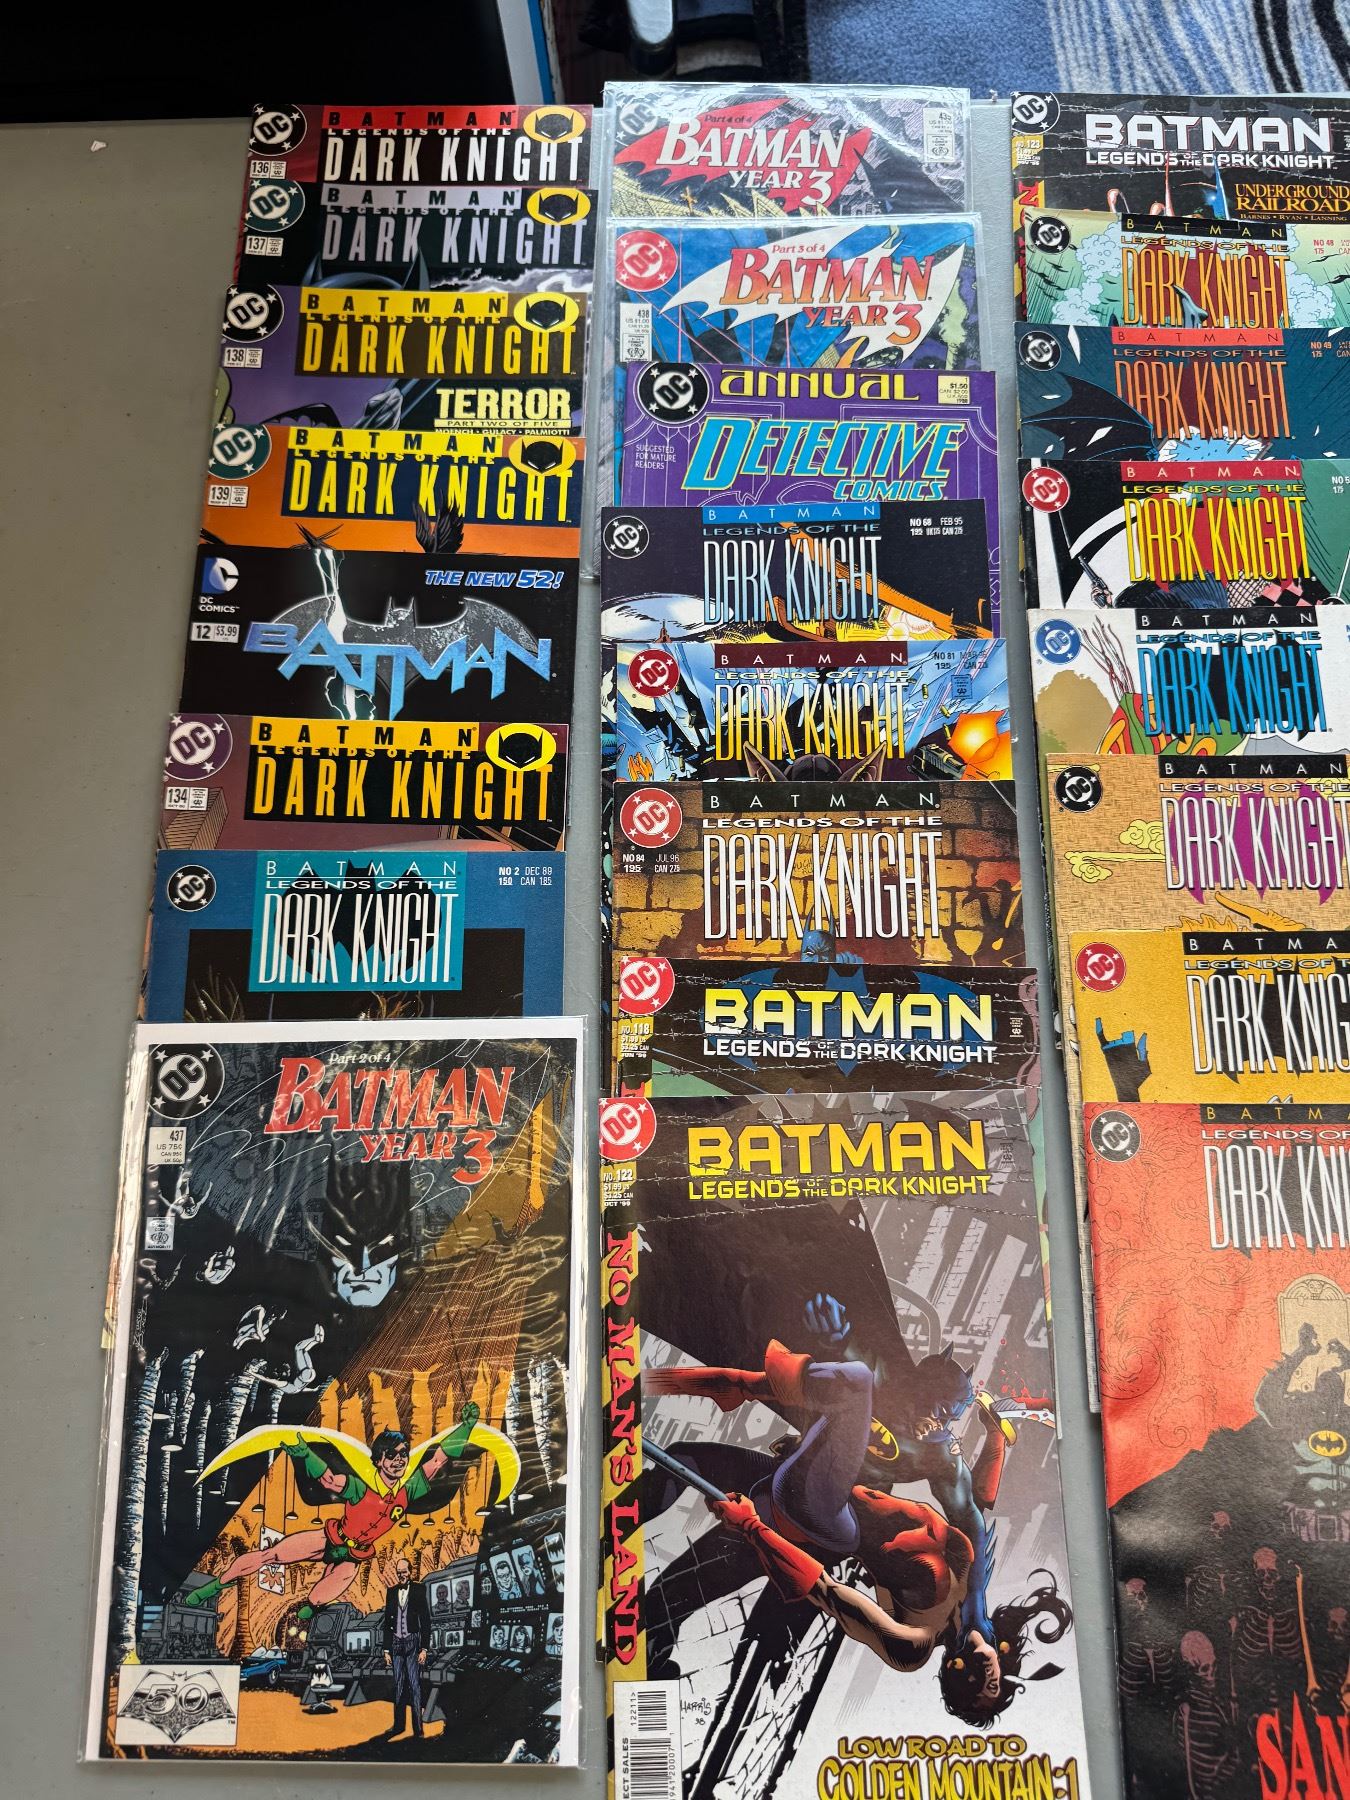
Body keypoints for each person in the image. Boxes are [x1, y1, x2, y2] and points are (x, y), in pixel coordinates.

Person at [383, 1555, 431, 1739]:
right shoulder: (391, 1592)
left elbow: (425, 1620)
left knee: (414, 1686)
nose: (401, 1575)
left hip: (412, 1643)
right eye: (398, 1572)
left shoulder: (419, 1589)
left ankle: (418, 1729)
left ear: (410, 1572)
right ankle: (398, 1726)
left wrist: (424, 1649)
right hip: (396, 1644)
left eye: (404, 1572)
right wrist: (386, 1650)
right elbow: (387, 1623)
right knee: (398, 1686)